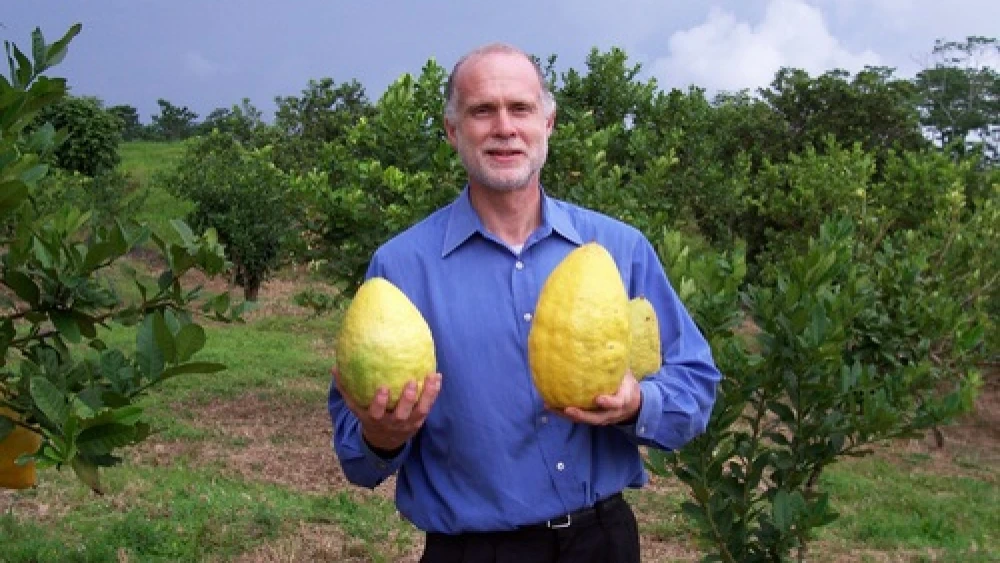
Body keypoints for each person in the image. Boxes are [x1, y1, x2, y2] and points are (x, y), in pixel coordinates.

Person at [328, 42, 722, 563]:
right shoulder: (401, 269)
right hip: (473, 551)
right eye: (482, 111)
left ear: (548, 122)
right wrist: (381, 435)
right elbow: (356, 455)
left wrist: (638, 405)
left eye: (520, 108)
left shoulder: (619, 250)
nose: (504, 128)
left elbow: (695, 386)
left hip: (601, 541)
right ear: (452, 131)